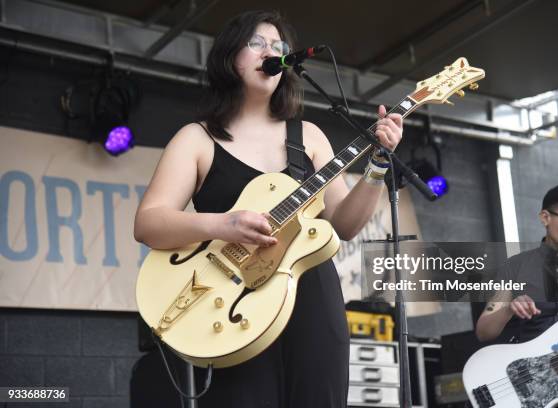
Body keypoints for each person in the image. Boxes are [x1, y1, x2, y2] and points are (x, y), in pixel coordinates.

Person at [133, 10, 404, 408]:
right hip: (233, 307)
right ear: (230, 57)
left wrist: (378, 165)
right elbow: (148, 223)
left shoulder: (309, 135)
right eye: (257, 43)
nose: (271, 52)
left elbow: (345, 224)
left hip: (312, 298)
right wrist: (224, 224)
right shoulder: (197, 138)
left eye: (279, 47)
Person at [475, 184, 558, 407]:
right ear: (545, 217)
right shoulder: (516, 266)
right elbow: (484, 331)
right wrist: (509, 309)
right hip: (534, 386)